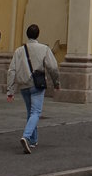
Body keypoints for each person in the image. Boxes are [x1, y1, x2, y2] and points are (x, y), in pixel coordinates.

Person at [6, 23, 59, 153]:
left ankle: (33, 140)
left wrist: (10, 90)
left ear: (27, 35)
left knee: (31, 112)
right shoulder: (44, 49)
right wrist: (56, 82)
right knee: (36, 112)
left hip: (24, 85)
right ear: (38, 35)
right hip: (37, 84)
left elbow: (11, 70)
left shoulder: (19, 50)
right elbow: (53, 67)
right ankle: (26, 136)